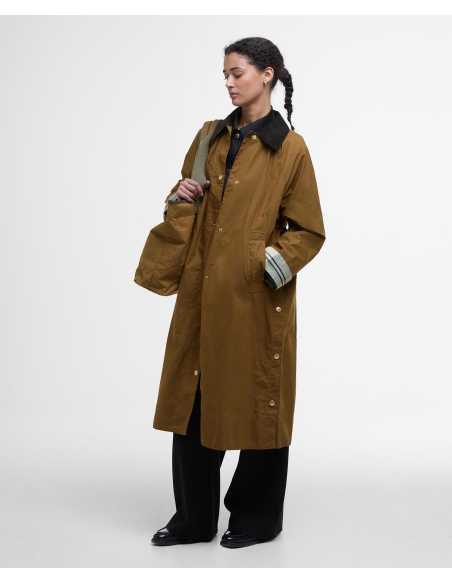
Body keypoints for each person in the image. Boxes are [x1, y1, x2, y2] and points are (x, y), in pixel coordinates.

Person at [148, 36, 326, 548]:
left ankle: (256, 519)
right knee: (193, 402)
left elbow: (308, 230)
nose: (228, 82)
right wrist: (180, 194)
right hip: (202, 293)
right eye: (224, 74)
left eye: (237, 72)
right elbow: (185, 202)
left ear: (267, 74)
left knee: (259, 403)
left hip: (255, 299)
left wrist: (266, 263)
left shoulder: (290, 148)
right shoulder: (210, 136)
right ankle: (193, 518)